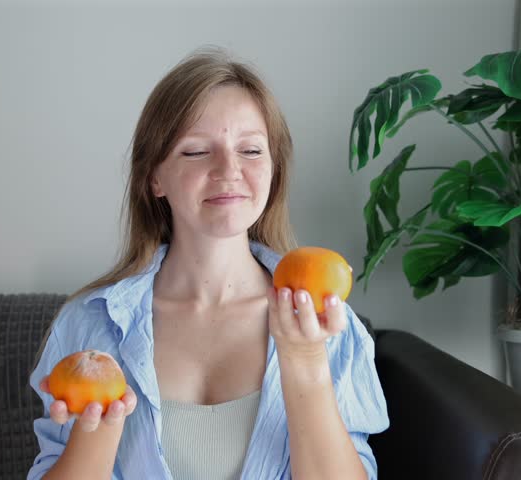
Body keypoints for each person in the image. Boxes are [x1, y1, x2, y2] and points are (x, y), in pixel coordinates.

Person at [27, 46, 389, 480]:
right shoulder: (88, 325)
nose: (229, 169)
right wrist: (97, 432)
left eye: (251, 150)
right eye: (197, 152)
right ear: (154, 178)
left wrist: (305, 360)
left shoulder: (327, 325)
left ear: (274, 170)